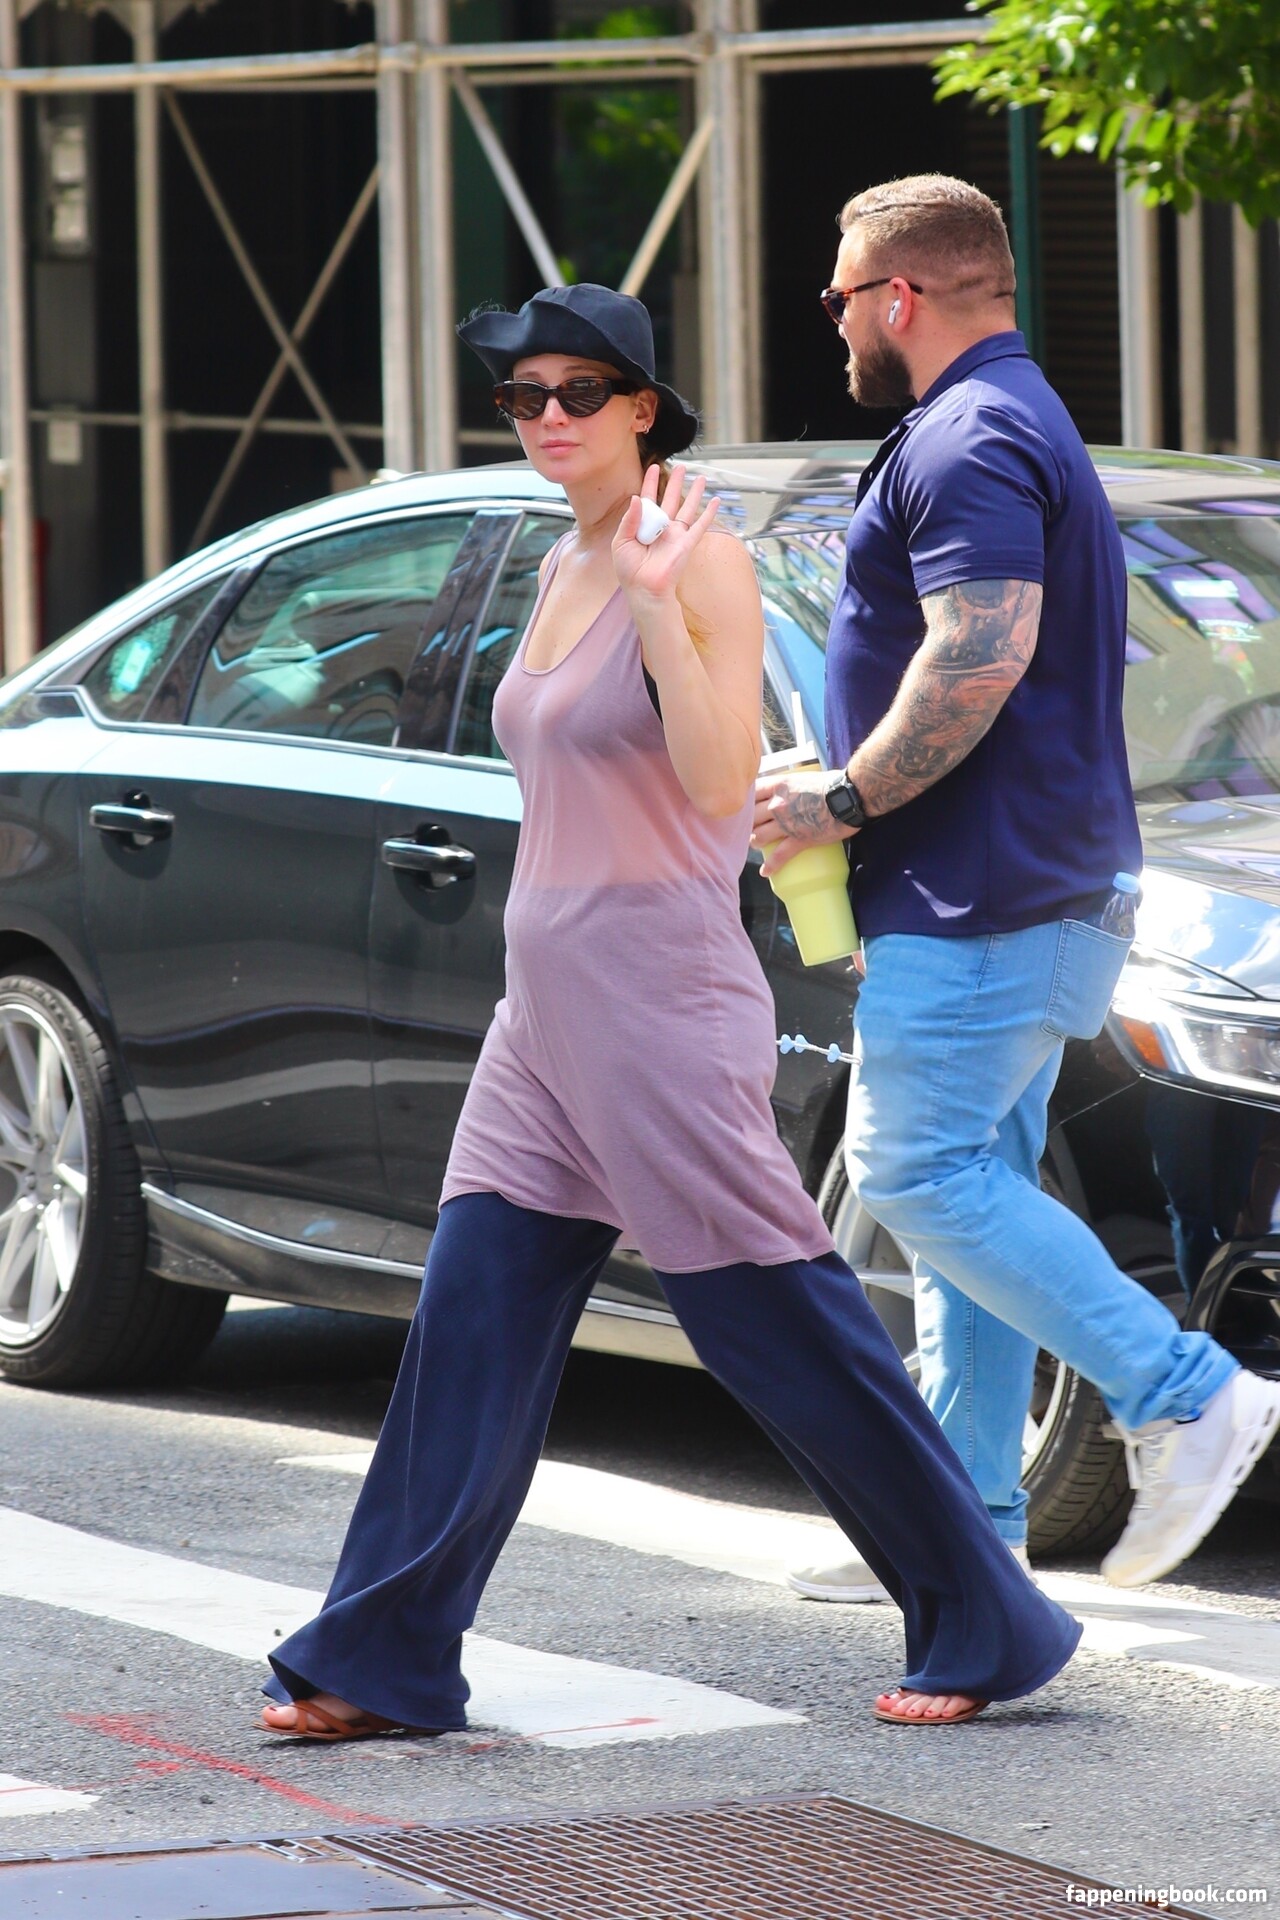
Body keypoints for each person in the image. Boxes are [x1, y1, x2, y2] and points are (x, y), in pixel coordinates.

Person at [259, 282, 1081, 1740]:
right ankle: (381, 1657)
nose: (550, 416)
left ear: (645, 410)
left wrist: (654, 602)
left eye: (581, 392)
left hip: (655, 998)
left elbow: (715, 781)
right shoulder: (560, 554)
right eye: (525, 396)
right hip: (544, 1012)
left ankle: (987, 1616)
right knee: (475, 1317)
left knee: (775, 1318)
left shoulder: (691, 556)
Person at [752, 176, 1280, 1605]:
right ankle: (963, 1534)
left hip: (982, 895)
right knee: (969, 1198)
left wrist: (842, 799)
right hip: (1009, 887)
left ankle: (1185, 1393)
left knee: (914, 1173)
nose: (834, 323)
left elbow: (978, 653)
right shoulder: (1005, 418)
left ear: (900, 298)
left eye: (841, 297)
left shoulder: (971, 435)